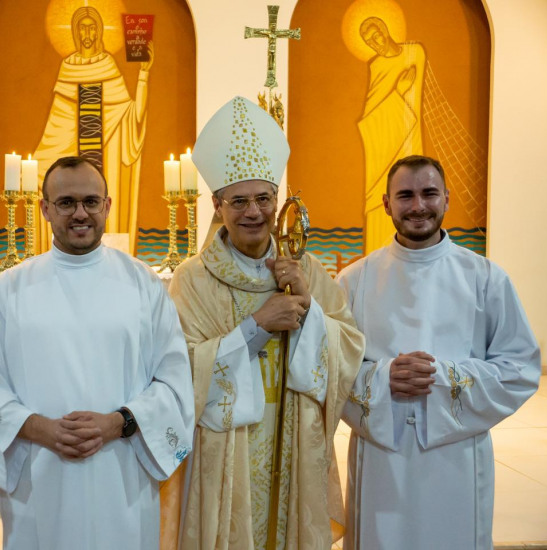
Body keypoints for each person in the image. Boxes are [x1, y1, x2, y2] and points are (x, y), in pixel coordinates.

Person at [0, 156, 194, 549]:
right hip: (39, 475)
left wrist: (116, 423)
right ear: (45, 209)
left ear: (107, 205)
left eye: (91, 201)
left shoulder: (144, 284)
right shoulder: (8, 291)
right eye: (66, 202)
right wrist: (42, 429)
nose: (80, 213)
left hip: (122, 473)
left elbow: (173, 382)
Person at [169, 96, 364, 549]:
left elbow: (349, 345)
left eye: (263, 198)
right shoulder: (193, 279)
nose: (253, 212)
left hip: (294, 435)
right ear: (217, 205)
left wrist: (310, 306)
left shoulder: (305, 268)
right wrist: (257, 326)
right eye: (239, 201)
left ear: (278, 201)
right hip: (225, 449)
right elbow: (180, 366)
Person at [337, 155, 540, 549]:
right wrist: (382, 378)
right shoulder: (355, 281)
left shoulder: (486, 278)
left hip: (458, 459)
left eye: (429, 194)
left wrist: (444, 379)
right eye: (405, 196)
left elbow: (521, 367)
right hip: (382, 459)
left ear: (446, 199)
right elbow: (327, 367)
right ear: (386, 203)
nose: (418, 206)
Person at [34, 6, 151, 253]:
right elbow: (59, 120)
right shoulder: (68, 67)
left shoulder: (108, 65)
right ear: (75, 33)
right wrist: (39, 162)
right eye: (82, 28)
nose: (87, 33)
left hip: (106, 160)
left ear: (99, 31)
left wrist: (144, 73)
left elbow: (130, 115)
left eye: (92, 27)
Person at [357, 16, 426, 254]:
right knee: (382, 196)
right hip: (381, 146)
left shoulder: (414, 52)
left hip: (409, 135)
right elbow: (371, 114)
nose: (374, 43)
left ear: (385, 30)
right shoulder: (376, 65)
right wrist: (397, 92)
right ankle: (377, 252)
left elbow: (414, 93)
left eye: (375, 35)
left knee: (411, 185)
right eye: (368, 41)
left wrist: (400, 95)